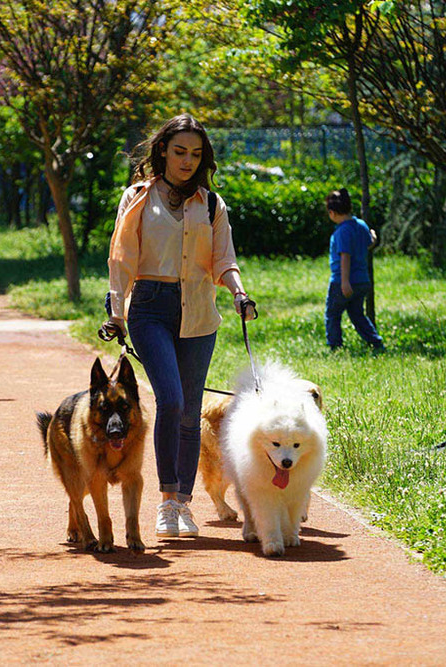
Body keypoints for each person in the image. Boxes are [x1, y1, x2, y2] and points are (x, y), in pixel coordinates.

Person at [106, 113, 256, 538]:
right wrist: (115, 312)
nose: (187, 161)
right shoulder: (137, 196)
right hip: (150, 307)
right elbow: (121, 258)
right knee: (170, 400)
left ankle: (182, 504)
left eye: (195, 153)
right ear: (163, 151)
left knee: (191, 412)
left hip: (200, 313)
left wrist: (239, 293)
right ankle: (165, 499)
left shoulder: (211, 203)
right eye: (179, 152)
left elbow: (224, 259)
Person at [324, 188, 384, 353]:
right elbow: (370, 243)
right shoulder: (361, 225)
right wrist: (374, 236)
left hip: (343, 282)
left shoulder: (342, 231)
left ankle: (335, 347)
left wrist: (344, 282)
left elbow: (345, 256)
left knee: (333, 315)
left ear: (332, 212)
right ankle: (376, 342)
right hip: (362, 280)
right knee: (357, 315)